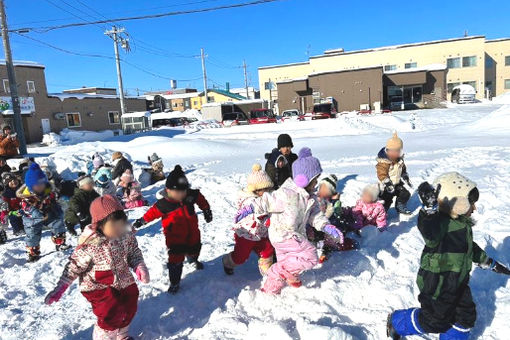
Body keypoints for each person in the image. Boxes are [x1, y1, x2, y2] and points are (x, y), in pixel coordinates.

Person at [387, 172, 510, 340]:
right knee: (435, 321)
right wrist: (429, 211)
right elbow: (429, 232)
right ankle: (396, 322)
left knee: (466, 316)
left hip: (457, 281)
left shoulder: (461, 224)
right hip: (437, 285)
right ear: (456, 203)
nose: (474, 208)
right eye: (470, 204)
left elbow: (468, 247)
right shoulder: (439, 226)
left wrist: (488, 262)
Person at [44, 195, 150, 340]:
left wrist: (139, 266)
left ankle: (122, 335)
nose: (119, 229)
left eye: (121, 224)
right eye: (114, 226)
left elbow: (133, 252)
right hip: (97, 286)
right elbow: (73, 267)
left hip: (123, 280)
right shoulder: (90, 245)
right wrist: (60, 288)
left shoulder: (126, 236)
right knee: (110, 312)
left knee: (130, 304)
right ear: (99, 225)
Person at [257, 147, 344, 294]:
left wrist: (326, 226)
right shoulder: (286, 194)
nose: (316, 184)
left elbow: (315, 215)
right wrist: (249, 209)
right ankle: (277, 270)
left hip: (293, 235)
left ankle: (270, 290)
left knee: (290, 261)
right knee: (310, 257)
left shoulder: (309, 197)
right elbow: (265, 201)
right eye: (314, 180)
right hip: (283, 235)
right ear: (303, 179)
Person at [133, 165, 212, 294]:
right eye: (177, 192)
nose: (181, 194)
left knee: (195, 246)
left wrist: (206, 209)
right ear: (168, 190)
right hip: (174, 236)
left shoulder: (191, 195)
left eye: (183, 191)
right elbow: (151, 213)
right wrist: (141, 221)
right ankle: (175, 281)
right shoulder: (164, 204)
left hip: (192, 231)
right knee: (175, 257)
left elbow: (200, 198)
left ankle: (192, 259)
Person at [222, 163, 275, 276]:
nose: (266, 192)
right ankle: (227, 262)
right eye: (263, 189)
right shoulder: (249, 202)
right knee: (240, 257)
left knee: (267, 251)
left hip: (261, 233)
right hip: (246, 234)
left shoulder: (266, 197)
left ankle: (269, 274)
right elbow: (257, 215)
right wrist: (268, 220)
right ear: (255, 190)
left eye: (268, 189)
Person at [18, 163, 69, 262]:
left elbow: (54, 201)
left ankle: (60, 242)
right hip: (31, 219)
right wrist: (37, 214)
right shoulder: (27, 197)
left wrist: (57, 208)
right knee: (33, 235)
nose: (40, 187)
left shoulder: (48, 192)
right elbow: (27, 208)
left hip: (47, 213)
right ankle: (33, 252)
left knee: (58, 222)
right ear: (31, 186)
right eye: (37, 185)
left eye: (42, 184)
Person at [376, 132, 412, 214]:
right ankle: (381, 212)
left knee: (405, 194)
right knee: (386, 200)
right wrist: (387, 182)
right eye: (394, 151)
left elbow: (402, 168)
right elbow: (381, 173)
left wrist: (404, 175)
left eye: (398, 151)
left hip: (397, 184)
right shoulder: (384, 162)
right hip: (386, 187)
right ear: (388, 150)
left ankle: (400, 206)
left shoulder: (399, 160)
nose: (396, 153)